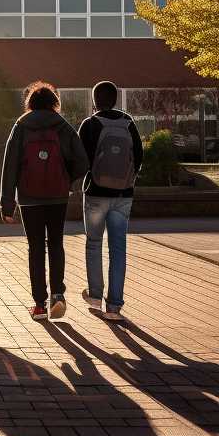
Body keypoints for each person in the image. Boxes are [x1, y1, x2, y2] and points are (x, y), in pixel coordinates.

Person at [0, 82, 89, 321]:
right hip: (57, 196)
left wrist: (7, 203)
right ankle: (58, 295)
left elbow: (9, 165)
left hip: (29, 198)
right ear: (53, 103)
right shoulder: (63, 126)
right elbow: (83, 161)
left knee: (35, 248)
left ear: (30, 103)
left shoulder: (21, 126)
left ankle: (39, 304)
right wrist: (66, 182)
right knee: (56, 243)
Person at [78, 81, 143, 321]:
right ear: (115, 100)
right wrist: (126, 180)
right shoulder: (128, 123)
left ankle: (95, 295)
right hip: (123, 195)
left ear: (94, 101)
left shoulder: (90, 124)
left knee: (94, 243)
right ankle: (115, 304)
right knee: (118, 247)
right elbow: (139, 156)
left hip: (96, 193)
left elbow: (80, 158)